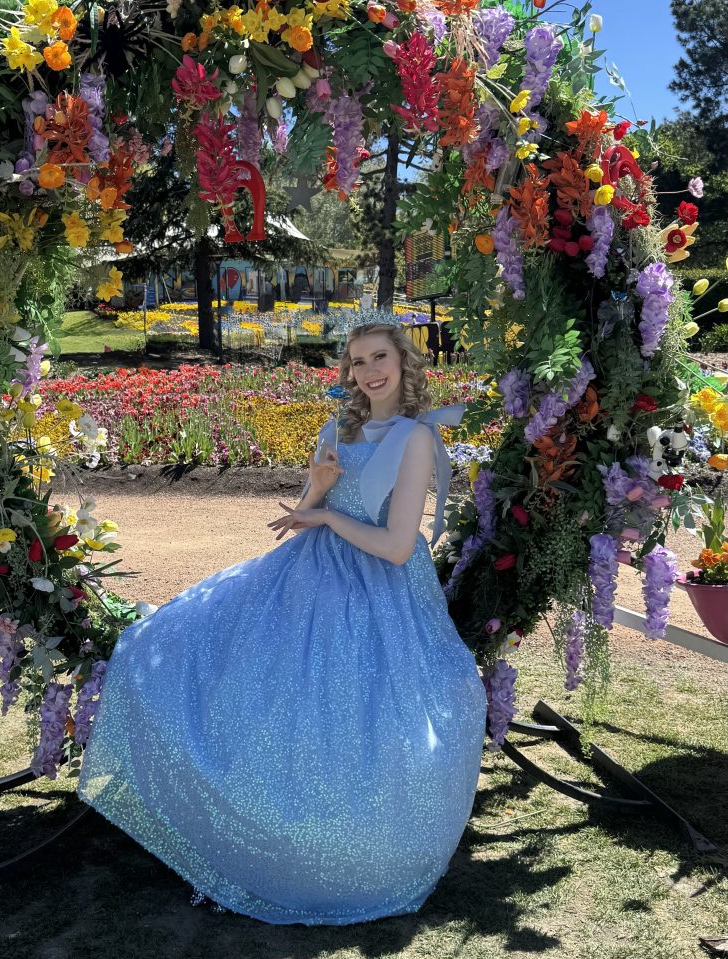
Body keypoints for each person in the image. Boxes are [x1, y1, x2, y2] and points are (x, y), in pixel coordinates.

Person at [77, 322, 486, 925]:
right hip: (307, 577)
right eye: (356, 362)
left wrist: (323, 520)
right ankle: (247, 824)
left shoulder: (415, 438)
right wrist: (315, 494)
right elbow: (305, 516)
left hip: (381, 591)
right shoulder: (337, 427)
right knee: (234, 673)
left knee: (361, 711)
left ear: (403, 362)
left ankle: (359, 850)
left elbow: (399, 546)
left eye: (380, 358)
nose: (369, 371)